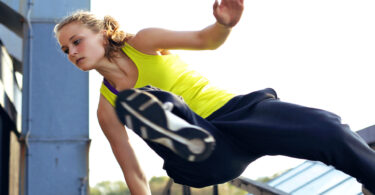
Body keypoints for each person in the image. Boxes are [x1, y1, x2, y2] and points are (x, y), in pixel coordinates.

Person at [54, 0, 375, 193]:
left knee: (327, 128)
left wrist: (223, 24)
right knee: (149, 104)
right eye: (66, 50)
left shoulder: (144, 42)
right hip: (208, 155)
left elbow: (204, 39)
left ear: (103, 34)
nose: (71, 53)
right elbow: (133, 171)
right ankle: (181, 133)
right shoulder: (107, 109)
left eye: (77, 42)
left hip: (239, 114)